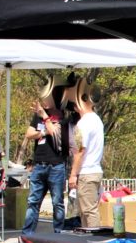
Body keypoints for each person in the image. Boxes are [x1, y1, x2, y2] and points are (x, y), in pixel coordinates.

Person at [21, 82, 68, 235]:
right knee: (33, 201)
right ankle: (27, 234)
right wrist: (43, 132)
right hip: (39, 165)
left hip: (56, 166)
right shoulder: (39, 116)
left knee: (57, 202)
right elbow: (29, 134)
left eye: (48, 98)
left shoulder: (63, 116)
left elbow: (55, 133)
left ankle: (58, 234)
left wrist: (45, 118)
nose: (44, 102)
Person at [68, 79, 104, 228]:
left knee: (89, 211)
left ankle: (94, 238)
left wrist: (73, 175)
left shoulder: (83, 123)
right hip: (94, 171)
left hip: (87, 173)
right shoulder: (96, 119)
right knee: (86, 211)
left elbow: (80, 151)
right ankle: (89, 237)